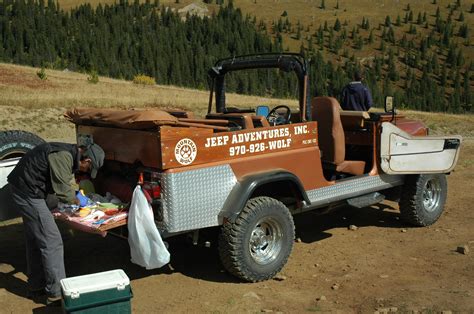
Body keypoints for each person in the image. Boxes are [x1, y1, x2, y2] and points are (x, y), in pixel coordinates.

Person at [7, 142, 105, 305]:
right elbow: (63, 192)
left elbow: (61, 189)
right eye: (88, 168)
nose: (85, 172)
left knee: (36, 239)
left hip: (30, 188)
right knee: (52, 241)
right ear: (86, 160)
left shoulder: (68, 154)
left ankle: (36, 286)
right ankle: (56, 293)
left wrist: (80, 199)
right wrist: (85, 204)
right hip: (28, 192)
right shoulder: (63, 156)